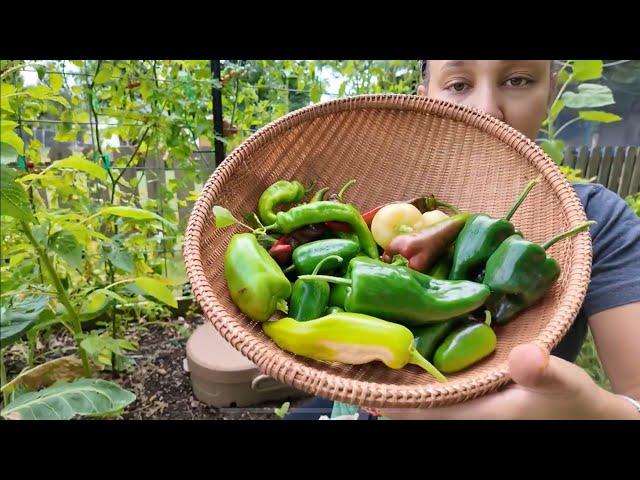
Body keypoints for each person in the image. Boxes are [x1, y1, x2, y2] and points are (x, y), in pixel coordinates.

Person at [284, 60, 640, 420]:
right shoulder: (397, 204)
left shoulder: (596, 222)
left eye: (518, 80)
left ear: (550, 91)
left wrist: (593, 412)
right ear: (425, 102)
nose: (486, 109)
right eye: (457, 85)